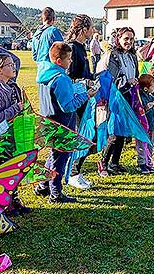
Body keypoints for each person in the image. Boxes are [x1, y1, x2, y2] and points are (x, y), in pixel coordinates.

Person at [34, 42, 96, 203]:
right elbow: (68, 106)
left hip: (50, 123)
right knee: (60, 159)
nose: (71, 61)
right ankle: (55, 193)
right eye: (68, 58)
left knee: (54, 156)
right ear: (58, 61)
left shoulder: (46, 74)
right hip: (62, 125)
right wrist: (87, 95)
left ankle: (43, 185)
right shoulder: (61, 78)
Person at [0, 46, 30, 215]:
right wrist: (15, 108)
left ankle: (15, 200)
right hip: (3, 139)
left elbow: (17, 60)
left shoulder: (10, 83)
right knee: (6, 171)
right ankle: (5, 204)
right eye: (9, 65)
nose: (13, 67)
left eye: (13, 65)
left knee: (15, 168)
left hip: (14, 134)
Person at [97, 27, 139, 176]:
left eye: (131, 39)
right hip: (116, 97)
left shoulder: (133, 56)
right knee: (114, 132)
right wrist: (127, 82)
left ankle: (115, 162)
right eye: (126, 38)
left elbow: (136, 74)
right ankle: (103, 162)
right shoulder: (112, 56)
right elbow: (111, 78)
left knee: (124, 131)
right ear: (118, 39)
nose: (129, 42)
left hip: (129, 96)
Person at [64, 14, 95, 189]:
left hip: (85, 98)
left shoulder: (82, 48)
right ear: (83, 29)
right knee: (77, 137)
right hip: (75, 101)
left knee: (85, 136)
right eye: (91, 27)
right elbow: (69, 78)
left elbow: (85, 74)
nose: (93, 30)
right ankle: (72, 173)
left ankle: (76, 171)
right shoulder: (72, 48)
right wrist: (85, 82)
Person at [135, 74, 154, 174]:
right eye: (153, 86)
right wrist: (146, 108)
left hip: (151, 125)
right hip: (143, 126)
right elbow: (139, 111)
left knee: (150, 144)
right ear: (146, 88)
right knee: (142, 145)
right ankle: (141, 163)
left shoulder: (150, 96)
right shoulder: (140, 98)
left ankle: (148, 162)